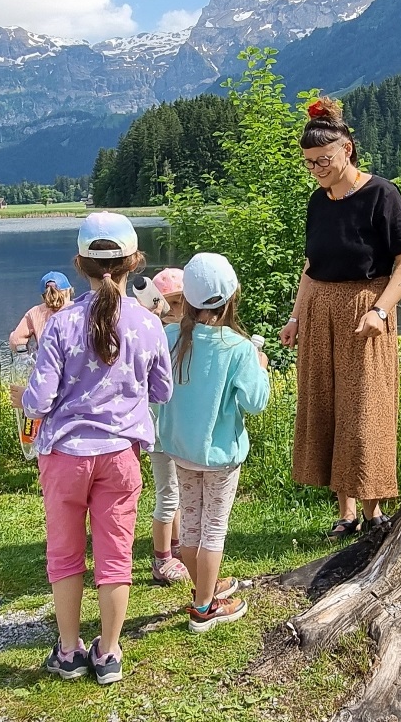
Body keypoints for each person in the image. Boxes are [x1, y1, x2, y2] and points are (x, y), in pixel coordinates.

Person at [11, 212, 173, 685]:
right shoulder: (147, 325)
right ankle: (109, 652)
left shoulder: (60, 325)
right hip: (121, 457)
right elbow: (161, 391)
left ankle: (67, 651)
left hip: (63, 457)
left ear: (80, 264)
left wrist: (21, 397)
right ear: (134, 262)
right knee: (115, 556)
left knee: (64, 555)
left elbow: (39, 400)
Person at [279, 96, 401, 539]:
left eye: (323, 160)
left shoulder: (382, 193)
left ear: (347, 150)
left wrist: (382, 309)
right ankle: (347, 512)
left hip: (366, 310)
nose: (316, 169)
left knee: (365, 409)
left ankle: (375, 511)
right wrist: (296, 317)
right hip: (319, 310)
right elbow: (310, 265)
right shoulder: (317, 202)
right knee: (326, 406)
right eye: (308, 163)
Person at [158, 253, 270, 632]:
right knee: (214, 530)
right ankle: (204, 607)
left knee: (190, 527)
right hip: (220, 457)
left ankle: (204, 587)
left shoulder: (169, 335)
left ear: (185, 299)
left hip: (180, 451)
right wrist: (260, 367)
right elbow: (255, 403)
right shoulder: (238, 348)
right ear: (231, 298)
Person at [144, 267, 189, 584]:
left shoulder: (178, 337)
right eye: (168, 304)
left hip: (174, 431)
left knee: (176, 495)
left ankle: (174, 549)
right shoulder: (157, 337)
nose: (175, 311)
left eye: (180, 303)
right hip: (161, 433)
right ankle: (161, 560)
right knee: (169, 496)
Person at [9, 271, 73, 351]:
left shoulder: (34, 312)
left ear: (43, 296)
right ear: (69, 291)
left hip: (47, 361)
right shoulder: (79, 309)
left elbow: (16, 340)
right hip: (76, 360)